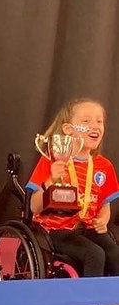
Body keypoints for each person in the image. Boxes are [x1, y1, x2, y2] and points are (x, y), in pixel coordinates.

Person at [27, 98, 119, 277]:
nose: (95, 126)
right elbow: (34, 207)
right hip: (56, 230)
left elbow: (104, 205)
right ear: (68, 129)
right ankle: (90, 296)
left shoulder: (104, 166)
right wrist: (51, 180)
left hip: (87, 228)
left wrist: (103, 219)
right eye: (86, 121)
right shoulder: (52, 160)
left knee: (115, 254)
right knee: (94, 254)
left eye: (99, 121)